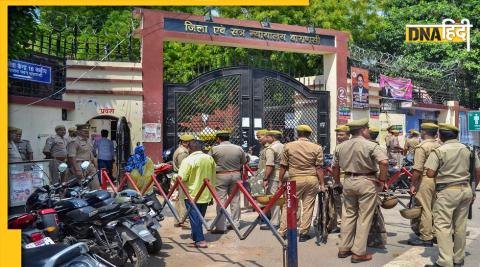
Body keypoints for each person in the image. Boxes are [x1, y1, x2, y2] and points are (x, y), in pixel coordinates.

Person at [424, 123, 479, 267]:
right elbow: (478, 171)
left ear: (441, 136)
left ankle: (445, 261)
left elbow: (429, 173)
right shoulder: (468, 149)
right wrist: (473, 190)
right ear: (456, 135)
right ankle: (458, 259)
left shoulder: (439, 150)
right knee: (460, 226)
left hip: (447, 191)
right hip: (465, 190)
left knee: (443, 226)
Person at [334, 118, 388, 263]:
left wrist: (337, 182)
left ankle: (344, 248)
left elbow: (335, 167)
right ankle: (358, 252)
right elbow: (383, 162)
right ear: (363, 130)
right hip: (367, 181)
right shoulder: (370, 145)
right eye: (367, 129)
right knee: (364, 217)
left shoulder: (341, 146)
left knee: (348, 215)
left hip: (348, 181)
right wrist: (382, 181)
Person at [277, 124, 325, 242]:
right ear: (309, 134)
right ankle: (304, 233)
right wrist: (322, 184)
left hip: (294, 179)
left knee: (289, 205)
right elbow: (319, 168)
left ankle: (282, 231)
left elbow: (283, 166)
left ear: (297, 134)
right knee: (308, 207)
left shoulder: (288, 146)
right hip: (311, 179)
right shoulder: (317, 147)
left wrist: (280, 180)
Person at [178, 140, 216, 248]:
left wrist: (174, 177)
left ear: (189, 148)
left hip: (191, 193)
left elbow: (182, 177)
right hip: (205, 193)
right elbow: (213, 176)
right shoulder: (209, 159)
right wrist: (212, 193)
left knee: (194, 218)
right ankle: (196, 236)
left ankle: (200, 240)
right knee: (199, 217)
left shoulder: (188, 160)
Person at [408, 123, 441, 247]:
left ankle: (426, 237)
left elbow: (417, 169)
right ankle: (435, 233)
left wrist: (413, 184)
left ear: (424, 132)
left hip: (426, 179)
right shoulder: (439, 145)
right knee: (435, 208)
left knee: (425, 208)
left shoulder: (422, 147)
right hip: (439, 180)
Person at [211, 130, 247, 233]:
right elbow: (244, 162)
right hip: (236, 175)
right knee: (235, 200)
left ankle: (221, 226)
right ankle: (235, 223)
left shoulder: (215, 149)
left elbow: (210, 161)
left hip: (221, 176)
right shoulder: (238, 148)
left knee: (221, 200)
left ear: (218, 139)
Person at [366, 125, 388, 249]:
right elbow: (384, 166)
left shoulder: (365, 147)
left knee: (367, 210)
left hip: (369, 180)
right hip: (377, 180)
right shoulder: (382, 148)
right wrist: (383, 181)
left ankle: (375, 237)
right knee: (374, 208)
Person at [260, 130, 284, 230]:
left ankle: (274, 222)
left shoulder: (271, 148)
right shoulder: (284, 146)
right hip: (285, 174)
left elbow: (270, 164)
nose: (266, 138)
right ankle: (285, 221)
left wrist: (265, 178)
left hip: (275, 175)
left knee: (274, 199)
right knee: (285, 199)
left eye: (267, 136)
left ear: (272, 138)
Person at [67, 124, 100, 189]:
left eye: (87, 130)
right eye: (84, 130)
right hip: (79, 165)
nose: (86, 131)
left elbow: (91, 154)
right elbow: (71, 157)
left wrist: (95, 165)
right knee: (83, 187)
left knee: (95, 185)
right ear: (78, 131)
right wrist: (77, 170)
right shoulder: (74, 142)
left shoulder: (88, 140)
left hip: (89, 164)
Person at [172, 134, 194, 228]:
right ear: (187, 142)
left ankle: (178, 219)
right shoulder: (183, 153)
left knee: (179, 199)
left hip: (178, 176)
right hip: (182, 177)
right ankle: (184, 221)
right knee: (183, 199)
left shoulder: (182, 150)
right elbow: (183, 167)